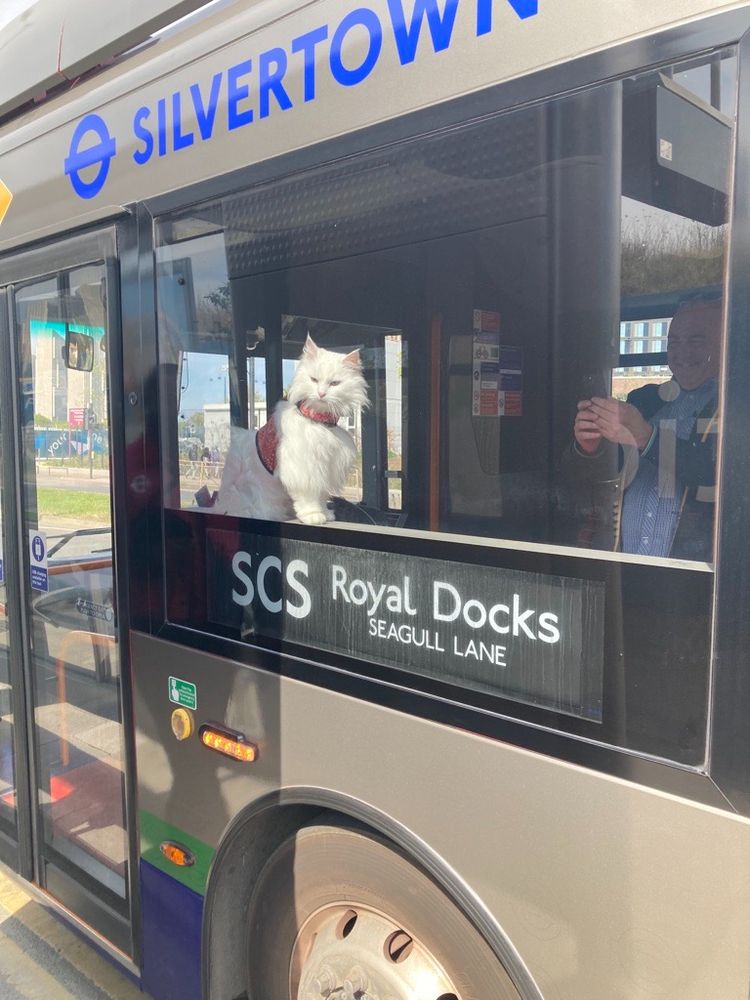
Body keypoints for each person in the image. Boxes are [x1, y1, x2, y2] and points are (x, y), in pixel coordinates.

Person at [572, 297, 721, 560]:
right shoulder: (644, 400)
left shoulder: (734, 407)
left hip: (693, 580)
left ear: (725, 343)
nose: (682, 352)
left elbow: (719, 477)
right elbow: (593, 481)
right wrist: (589, 447)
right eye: (674, 341)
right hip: (624, 564)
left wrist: (647, 438)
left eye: (696, 341)